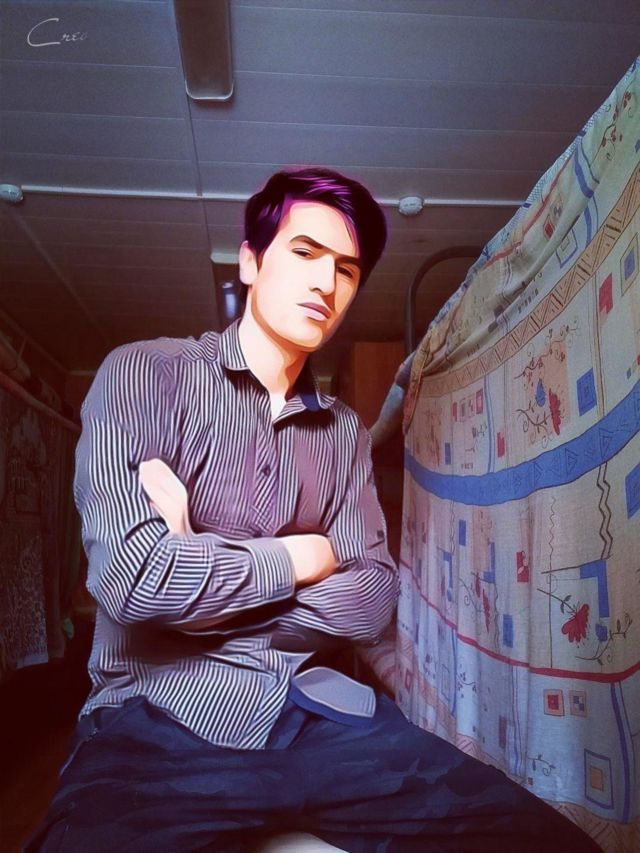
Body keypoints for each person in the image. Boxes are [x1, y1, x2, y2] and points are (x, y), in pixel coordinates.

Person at [29, 168, 599, 852]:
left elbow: (371, 598)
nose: (327, 283)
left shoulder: (345, 433)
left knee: (544, 841)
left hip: (319, 714)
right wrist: (306, 555)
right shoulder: (144, 374)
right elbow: (136, 579)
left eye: (347, 270)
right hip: (154, 724)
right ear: (250, 261)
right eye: (304, 252)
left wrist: (198, 587)